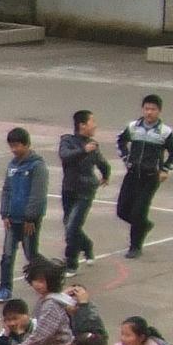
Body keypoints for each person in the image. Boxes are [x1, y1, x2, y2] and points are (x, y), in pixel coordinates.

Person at [115, 95, 173, 257]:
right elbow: (120, 141)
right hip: (132, 175)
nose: (149, 112)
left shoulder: (165, 132)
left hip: (150, 177)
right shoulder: (133, 127)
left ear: (159, 111)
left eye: (153, 109)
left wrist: (165, 168)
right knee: (122, 210)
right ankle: (144, 225)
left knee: (139, 211)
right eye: (146, 109)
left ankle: (135, 247)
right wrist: (126, 158)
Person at [57, 109, 111, 272]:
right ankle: (87, 245)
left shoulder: (93, 146)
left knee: (72, 227)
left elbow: (103, 163)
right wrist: (83, 150)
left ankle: (71, 262)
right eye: (92, 122)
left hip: (85, 191)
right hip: (69, 189)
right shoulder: (67, 141)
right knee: (69, 224)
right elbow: (65, 156)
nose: (95, 125)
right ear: (82, 125)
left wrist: (105, 175)